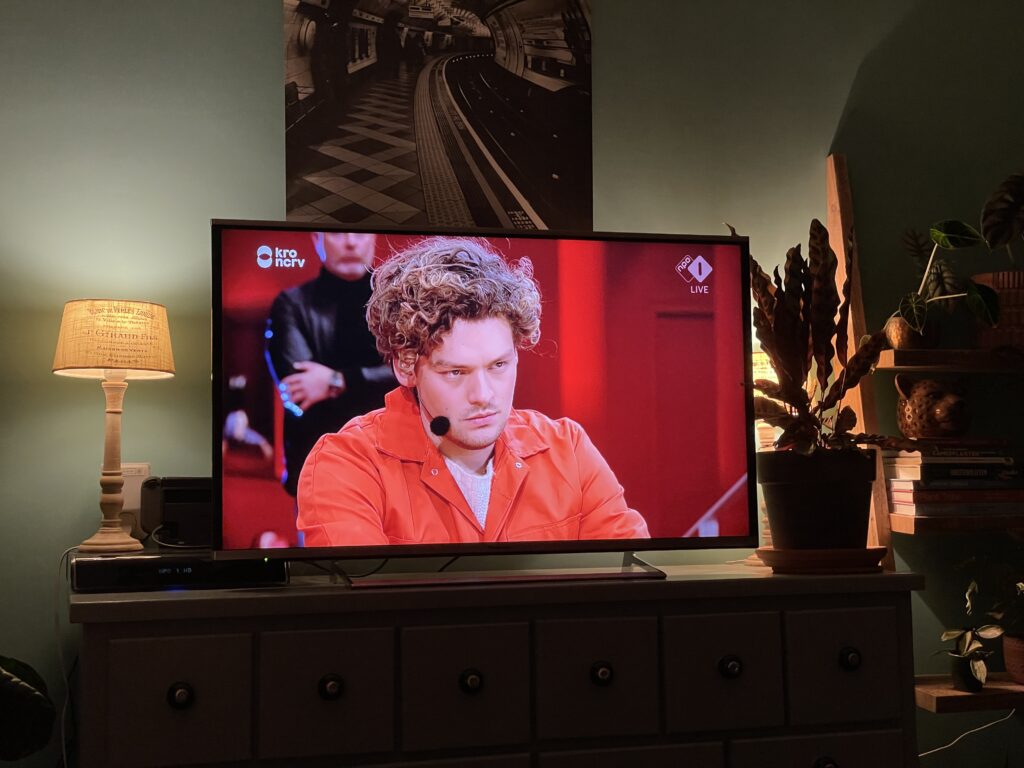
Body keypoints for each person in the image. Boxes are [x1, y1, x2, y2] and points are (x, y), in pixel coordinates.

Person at [297, 237, 649, 545]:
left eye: (498, 365)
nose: (483, 395)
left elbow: (633, 586)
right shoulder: (347, 465)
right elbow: (366, 601)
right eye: (455, 372)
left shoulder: (567, 450)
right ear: (406, 367)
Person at [266, 231, 396, 496]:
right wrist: (375, 383)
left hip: (391, 458)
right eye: (337, 233)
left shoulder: (399, 303)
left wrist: (339, 381)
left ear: (373, 239)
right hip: (315, 465)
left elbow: (415, 375)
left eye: (361, 234)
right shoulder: (292, 304)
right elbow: (300, 387)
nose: (350, 242)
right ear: (317, 240)